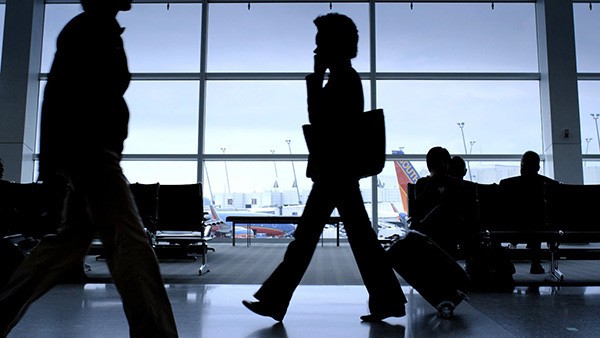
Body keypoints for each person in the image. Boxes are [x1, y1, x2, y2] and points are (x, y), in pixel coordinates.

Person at [0, 1, 178, 336]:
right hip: (91, 153)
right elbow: (67, 98)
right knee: (130, 240)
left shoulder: (93, 28)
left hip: (85, 152)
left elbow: (58, 96)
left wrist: (56, 160)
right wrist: (71, 157)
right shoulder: (90, 30)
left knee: (70, 242)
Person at [243, 13, 406, 323]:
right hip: (338, 173)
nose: (316, 49)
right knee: (355, 240)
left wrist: (315, 80)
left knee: (309, 239)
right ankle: (387, 300)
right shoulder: (346, 78)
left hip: (335, 173)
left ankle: (275, 301)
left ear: (335, 45)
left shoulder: (343, 80)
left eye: (320, 42)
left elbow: (321, 122)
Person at [499, 150, 559, 274]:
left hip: (512, 227)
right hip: (541, 227)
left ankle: (505, 260)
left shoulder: (507, 184)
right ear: (538, 167)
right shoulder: (551, 185)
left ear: (522, 166)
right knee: (537, 218)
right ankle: (535, 263)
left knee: (531, 219)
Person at [410, 147, 476, 259]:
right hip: (453, 228)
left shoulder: (422, 184)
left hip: (431, 228)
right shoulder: (457, 184)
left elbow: (417, 210)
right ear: (447, 164)